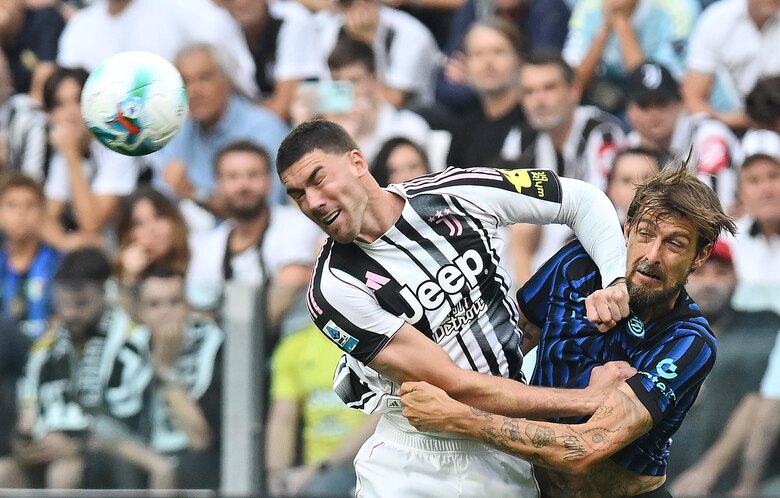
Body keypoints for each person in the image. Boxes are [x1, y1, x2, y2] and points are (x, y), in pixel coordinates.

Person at [277, 119, 634, 497]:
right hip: (412, 465)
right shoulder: (332, 290)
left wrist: (615, 279)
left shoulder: (454, 192)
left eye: (318, 179)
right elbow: (456, 385)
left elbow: (581, 199)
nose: (312, 202)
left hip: (503, 452)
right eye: (297, 195)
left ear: (357, 162)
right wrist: (586, 400)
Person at [400, 162, 737, 497]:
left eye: (674, 244)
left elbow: (586, 449)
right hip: (528, 487)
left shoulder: (689, 341)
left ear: (700, 255)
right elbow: (508, 345)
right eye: (646, 233)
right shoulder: (577, 264)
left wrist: (457, 417)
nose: (652, 255)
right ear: (628, 229)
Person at [0, 248, 152, 489]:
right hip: (54, 448)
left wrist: (76, 445)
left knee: (64, 472)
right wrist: (25, 442)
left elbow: (129, 420)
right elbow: (28, 412)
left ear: (105, 292)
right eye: (64, 304)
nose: (70, 313)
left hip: (115, 452)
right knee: (5, 473)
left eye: (81, 304)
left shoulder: (132, 342)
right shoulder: (44, 349)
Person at [667, 240, 780, 495]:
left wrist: (707, 471)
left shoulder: (762, 327)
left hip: (739, 479)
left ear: (736, 279)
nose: (710, 283)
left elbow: (762, 399)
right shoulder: (660, 333)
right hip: (668, 474)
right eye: (699, 273)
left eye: (721, 273)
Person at [186, 140, 322, 334]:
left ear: (270, 182)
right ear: (218, 184)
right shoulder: (206, 244)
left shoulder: (296, 225)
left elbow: (283, 297)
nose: (243, 185)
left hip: (293, 343)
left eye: (253, 175)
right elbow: (200, 309)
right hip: (229, 349)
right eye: (232, 177)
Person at [152, 43, 289, 213]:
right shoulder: (179, 133)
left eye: (204, 78)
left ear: (228, 80)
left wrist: (193, 192)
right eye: (185, 82)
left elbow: (262, 208)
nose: (195, 90)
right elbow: (158, 203)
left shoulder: (264, 128)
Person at [133, 266, 224, 490]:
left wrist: (165, 369)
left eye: (175, 302)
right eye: (154, 305)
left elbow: (200, 438)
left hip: (197, 461)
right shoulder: (129, 348)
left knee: (194, 467)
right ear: (140, 313)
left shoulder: (214, 347)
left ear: (188, 307)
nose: (166, 312)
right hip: (145, 459)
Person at [265, 322, 380, 497]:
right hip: (315, 476)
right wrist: (277, 476)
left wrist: (323, 466)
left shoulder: (375, 342)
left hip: (371, 465)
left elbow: (380, 417)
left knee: (324, 486)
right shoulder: (295, 346)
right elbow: (282, 420)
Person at [39, 66, 139, 251]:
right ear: (50, 115)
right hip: (94, 251)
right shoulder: (65, 150)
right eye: (59, 105)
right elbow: (44, 219)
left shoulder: (118, 143)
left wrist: (71, 154)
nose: (70, 113)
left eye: (78, 101)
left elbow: (91, 223)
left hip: (132, 249)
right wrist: (66, 242)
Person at [292, 37, 431, 165]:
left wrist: (351, 140)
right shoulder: (324, 134)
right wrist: (302, 130)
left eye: (354, 81)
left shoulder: (411, 127)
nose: (346, 91)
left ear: (375, 80)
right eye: (337, 82)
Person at [625, 62, 740, 212]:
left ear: (680, 103)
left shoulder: (708, 135)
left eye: (662, 102)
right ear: (629, 111)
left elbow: (717, 210)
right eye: (644, 105)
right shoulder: (632, 144)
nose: (654, 112)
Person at [562, 0, 700, 113]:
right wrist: (604, 31)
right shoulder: (587, 8)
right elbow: (571, 84)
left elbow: (656, 88)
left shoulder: (678, 8)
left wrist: (622, 24)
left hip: (669, 106)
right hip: (612, 101)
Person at [318, 0, 442, 108]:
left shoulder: (410, 34)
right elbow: (322, 94)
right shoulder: (330, 31)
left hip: (409, 116)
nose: (359, 6)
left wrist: (368, 42)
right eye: (347, 1)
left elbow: (394, 99)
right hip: (351, 113)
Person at [445, 18, 532, 168]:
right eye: (478, 54)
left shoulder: (535, 118)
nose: (488, 62)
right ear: (465, 63)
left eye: (498, 52)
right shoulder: (464, 128)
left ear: (519, 58)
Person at [222, 0, 326, 122]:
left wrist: (237, 118)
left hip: (328, 107)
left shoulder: (292, 19)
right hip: (269, 118)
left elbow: (282, 108)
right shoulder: (227, 31)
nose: (242, 3)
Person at [682, 0, 780, 130]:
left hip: (777, 121)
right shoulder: (716, 20)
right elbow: (693, 97)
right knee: (708, 134)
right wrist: (726, 120)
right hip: (730, 125)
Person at [0, 174, 60, 340]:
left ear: (42, 212)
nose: (21, 213)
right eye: (11, 205)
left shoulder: (59, 262)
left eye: (30, 205)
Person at [728, 129, 780, 315]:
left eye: (774, 176)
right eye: (754, 180)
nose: (766, 189)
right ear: (741, 193)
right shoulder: (727, 242)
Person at [114, 188, 191, 291]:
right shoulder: (120, 274)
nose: (152, 230)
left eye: (159, 216)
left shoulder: (198, 259)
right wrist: (128, 278)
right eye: (139, 224)